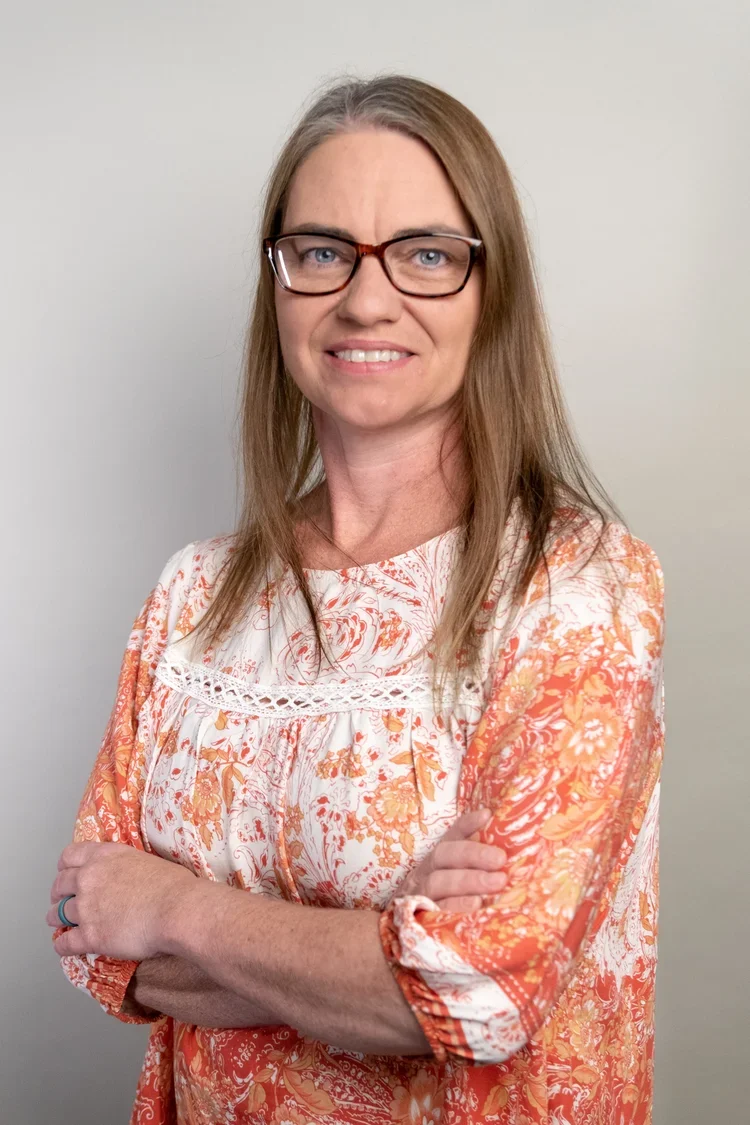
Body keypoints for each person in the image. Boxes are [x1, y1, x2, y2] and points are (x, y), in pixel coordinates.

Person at [47, 74, 665, 1125]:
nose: (366, 300)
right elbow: (93, 939)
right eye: (323, 251)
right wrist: (381, 939)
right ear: (278, 283)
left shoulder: (576, 590)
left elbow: (475, 994)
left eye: (425, 254)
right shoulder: (194, 595)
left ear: (493, 288)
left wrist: (178, 909)